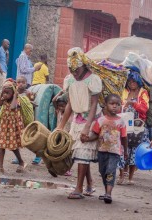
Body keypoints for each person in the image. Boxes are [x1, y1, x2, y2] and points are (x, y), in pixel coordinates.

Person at [57, 47, 102, 199]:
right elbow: (70, 103)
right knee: (80, 153)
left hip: (91, 120)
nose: (74, 72)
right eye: (71, 69)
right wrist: (61, 126)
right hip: (77, 121)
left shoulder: (93, 79)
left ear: (83, 66)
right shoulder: (70, 80)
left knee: (83, 152)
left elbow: (94, 104)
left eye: (76, 69)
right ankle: (89, 183)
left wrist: (88, 127)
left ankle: (79, 188)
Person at [84, 94, 127, 204]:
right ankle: (106, 191)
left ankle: (108, 194)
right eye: (112, 104)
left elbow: (124, 137)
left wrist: (125, 151)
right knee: (102, 171)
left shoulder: (121, 121)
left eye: (117, 104)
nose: (114, 106)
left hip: (115, 151)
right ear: (105, 105)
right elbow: (95, 134)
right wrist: (87, 139)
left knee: (110, 171)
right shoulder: (101, 120)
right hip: (102, 150)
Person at [118, 70, 149, 185]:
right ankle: (121, 175)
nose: (132, 83)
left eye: (134, 81)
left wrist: (132, 104)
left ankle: (130, 177)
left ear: (138, 82)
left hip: (138, 127)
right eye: (130, 81)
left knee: (134, 151)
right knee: (122, 149)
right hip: (124, 125)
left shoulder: (143, 93)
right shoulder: (124, 91)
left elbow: (144, 108)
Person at [0, 79, 27, 173]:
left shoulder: (16, 100)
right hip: (5, 125)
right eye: (4, 93)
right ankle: (0, 166)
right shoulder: (4, 99)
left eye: (7, 93)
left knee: (14, 147)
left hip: (13, 127)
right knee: (2, 145)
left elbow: (12, 107)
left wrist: (15, 95)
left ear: (13, 93)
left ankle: (21, 162)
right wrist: (1, 93)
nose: (5, 95)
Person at [52, 90, 72, 176]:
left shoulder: (71, 113)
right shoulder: (58, 112)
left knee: (67, 154)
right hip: (59, 134)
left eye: (63, 106)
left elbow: (70, 104)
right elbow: (53, 101)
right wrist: (59, 93)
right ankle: (56, 167)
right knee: (57, 152)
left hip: (67, 136)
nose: (61, 108)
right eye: (59, 106)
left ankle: (67, 169)